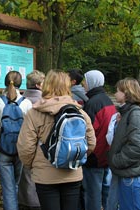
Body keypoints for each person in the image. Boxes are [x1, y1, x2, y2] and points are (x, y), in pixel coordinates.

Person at [17, 69, 96, 210]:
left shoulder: (35, 113)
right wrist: (75, 158)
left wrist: (34, 165)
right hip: (73, 173)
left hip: (45, 175)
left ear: (46, 85)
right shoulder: (79, 112)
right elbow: (91, 143)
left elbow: (25, 147)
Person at [0, 71, 32, 210]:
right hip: (21, 149)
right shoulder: (26, 103)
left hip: (3, 149)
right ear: (21, 84)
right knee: (18, 184)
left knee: (8, 188)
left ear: (5, 82)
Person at [108, 77, 140, 210]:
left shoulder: (135, 115)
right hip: (125, 174)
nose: (115, 94)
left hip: (130, 177)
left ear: (126, 93)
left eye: (117, 91)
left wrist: (116, 161)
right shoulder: (127, 113)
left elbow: (137, 148)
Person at [81, 70, 116, 210]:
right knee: (105, 190)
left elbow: (88, 132)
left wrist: (87, 153)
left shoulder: (92, 103)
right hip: (106, 153)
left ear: (92, 82)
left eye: (85, 80)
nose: (83, 84)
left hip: (95, 156)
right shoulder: (107, 100)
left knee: (92, 193)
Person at [18, 70, 45, 210]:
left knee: (25, 176)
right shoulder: (44, 102)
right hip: (41, 146)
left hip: (22, 144)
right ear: (39, 85)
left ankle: (25, 201)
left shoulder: (20, 100)